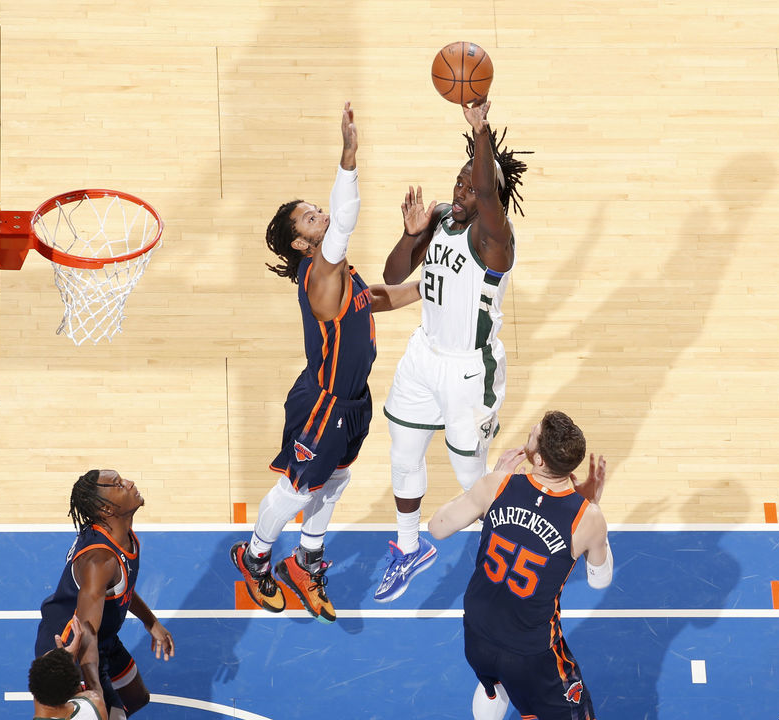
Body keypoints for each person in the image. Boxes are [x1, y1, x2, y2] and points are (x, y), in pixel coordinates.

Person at [230, 101, 421, 623]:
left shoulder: (341, 275)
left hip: (353, 401)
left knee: (335, 482)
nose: (321, 214)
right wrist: (349, 158)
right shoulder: (318, 275)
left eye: (319, 207)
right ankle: (255, 557)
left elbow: (376, 297)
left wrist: (433, 283)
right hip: (323, 402)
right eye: (310, 215)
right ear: (300, 240)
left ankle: (306, 560)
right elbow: (344, 223)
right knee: (295, 490)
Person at [375, 98, 532, 602]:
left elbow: (488, 188)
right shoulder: (442, 218)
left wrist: (480, 127)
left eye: (471, 186)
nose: (461, 191)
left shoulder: (496, 238)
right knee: (403, 455)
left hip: (470, 370)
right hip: (425, 356)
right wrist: (411, 233)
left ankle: (504, 547)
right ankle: (408, 548)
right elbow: (393, 275)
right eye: (458, 182)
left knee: (471, 475)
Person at [429, 411, 611, 720]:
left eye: (531, 435)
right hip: (532, 653)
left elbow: (437, 528)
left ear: (539, 460)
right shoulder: (587, 518)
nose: (525, 437)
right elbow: (600, 580)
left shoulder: (496, 485)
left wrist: (485, 488)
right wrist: (593, 506)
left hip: (477, 635)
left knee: (493, 688)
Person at [34, 469, 174, 720]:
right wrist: (95, 695)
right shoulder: (100, 561)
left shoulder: (121, 536)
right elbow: (86, 630)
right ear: (107, 510)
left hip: (102, 636)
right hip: (73, 648)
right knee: (108, 715)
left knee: (136, 698)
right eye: (119, 485)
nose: (130, 483)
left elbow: (121, 588)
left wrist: (150, 621)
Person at [29, 619, 107, 719]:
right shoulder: (95, 705)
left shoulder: (40, 706)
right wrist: (68, 661)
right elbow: (94, 688)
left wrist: (68, 659)